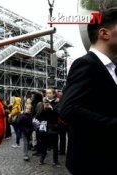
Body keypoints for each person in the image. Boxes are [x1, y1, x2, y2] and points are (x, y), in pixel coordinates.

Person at [60, 8, 117, 175]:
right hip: (92, 163)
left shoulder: (112, 68)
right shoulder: (86, 63)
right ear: (104, 34)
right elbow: (68, 108)